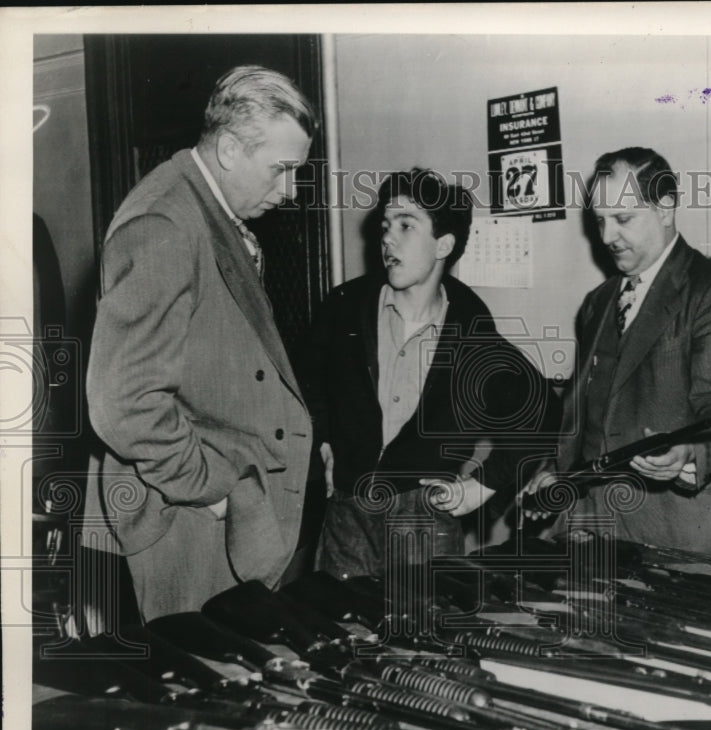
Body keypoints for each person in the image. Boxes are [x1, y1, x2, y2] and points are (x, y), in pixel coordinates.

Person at [85, 66, 317, 621]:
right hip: (186, 520)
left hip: (214, 513)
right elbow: (123, 404)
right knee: (207, 669)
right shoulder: (164, 222)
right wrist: (214, 491)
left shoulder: (203, 207)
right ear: (231, 149)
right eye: (281, 170)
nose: (289, 191)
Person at [306, 168, 556, 579]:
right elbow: (306, 384)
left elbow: (541, 408)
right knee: (336, 619)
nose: (388, 238)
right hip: (348, 513)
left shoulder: (471, 327)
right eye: (385, 226)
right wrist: (323, 441)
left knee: (425, 621)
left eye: (406, 225)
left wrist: (483, 486)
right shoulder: (343, 306)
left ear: (444, 244)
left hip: (425, 514)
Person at [524, 146, 711, 561]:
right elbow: (581, 411)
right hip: (594, 528)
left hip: (685, 534)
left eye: (623, 219)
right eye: (600, 220)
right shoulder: (597, 302)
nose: (606, 237)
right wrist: (553, 471)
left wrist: (689, 452)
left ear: (665, 209)